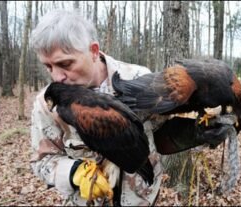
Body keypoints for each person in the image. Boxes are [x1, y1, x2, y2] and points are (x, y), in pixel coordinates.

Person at [30, 10, 162, 206]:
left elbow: (164, 132)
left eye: (65, 64)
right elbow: (42, 162)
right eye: (48, 67)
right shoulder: (47, 104)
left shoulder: (137, 79)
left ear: (93, 51)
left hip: (142, 199)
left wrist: (195, 134)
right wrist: (75, 172)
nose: (57, 77)